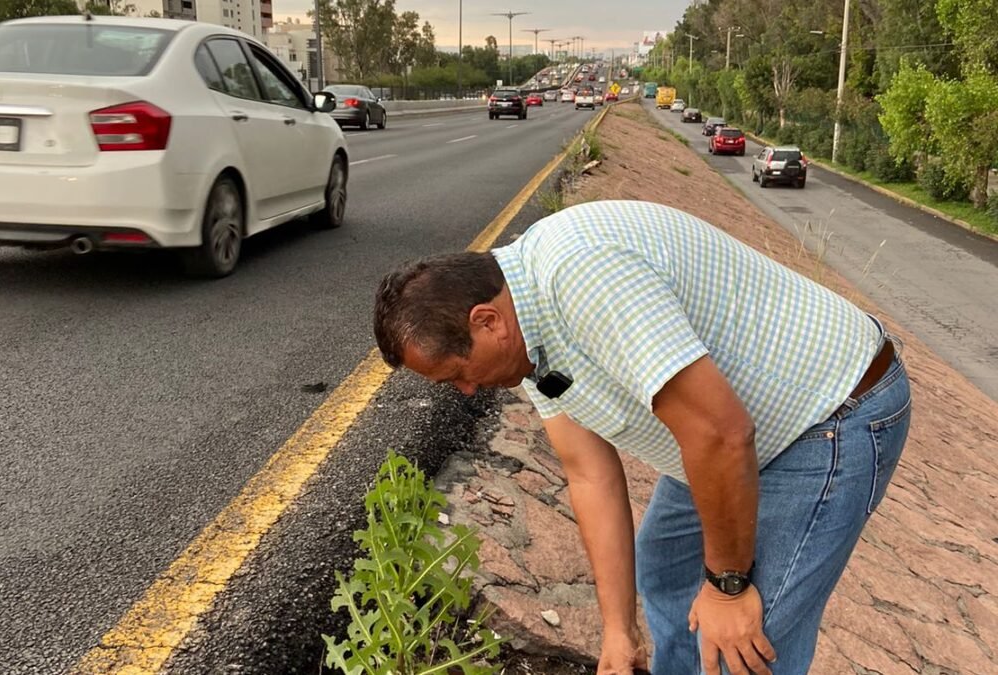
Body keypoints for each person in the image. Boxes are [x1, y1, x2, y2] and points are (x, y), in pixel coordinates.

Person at [372, 200, 911, 675]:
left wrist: (729, 584)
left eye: (457, 375)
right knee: (666, 565)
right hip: (727, 430)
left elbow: (721, 435)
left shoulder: (582, 275)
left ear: (487, 321)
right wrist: (617, 632)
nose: (466, 392)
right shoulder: (525, 331)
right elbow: (589, 473)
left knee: (745, 640)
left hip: (828, 415)